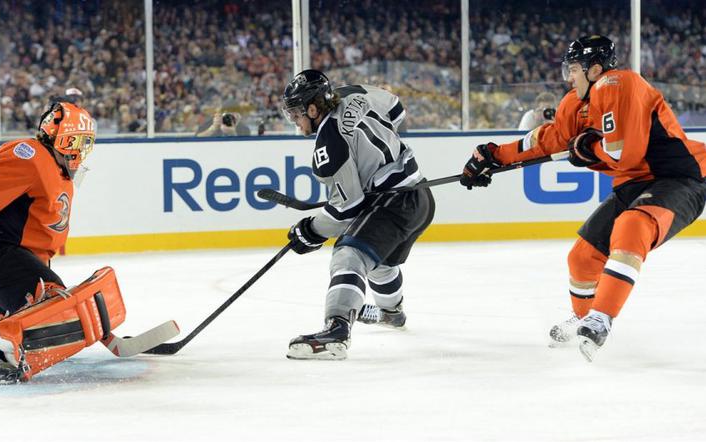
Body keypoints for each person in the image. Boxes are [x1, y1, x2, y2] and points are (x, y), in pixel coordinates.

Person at [459, 35, 706, 361]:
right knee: (582, 257)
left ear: (595, 69)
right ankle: (584, 317)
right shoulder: (575, 104)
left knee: (632, 226)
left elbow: (623, 153)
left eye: (574, 69)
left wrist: (586, 148)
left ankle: (601, 318)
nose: (569, 77)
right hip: (633, 184)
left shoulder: (619, 83)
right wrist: (492, 156)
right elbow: (548, 142)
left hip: (681, 178)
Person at [0, 99, 129, 382]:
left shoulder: (59, 174)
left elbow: (37, 244)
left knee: (52, 302)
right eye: (73, 141)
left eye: (85, 143)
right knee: (50, 303)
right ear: (53, 135)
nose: (79, 151)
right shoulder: (31, 155)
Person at [281, 69, 435, 360]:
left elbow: (347, 209)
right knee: (377, 261)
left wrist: (310, 230)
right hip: (422, 196)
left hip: (393, 204)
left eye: (297, 113)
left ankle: (336, 330)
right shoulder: (354, 92)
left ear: (313, 108)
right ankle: (392, 313)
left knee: (348, 254)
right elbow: (395, 109)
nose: (295, 121)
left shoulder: (328, 144)